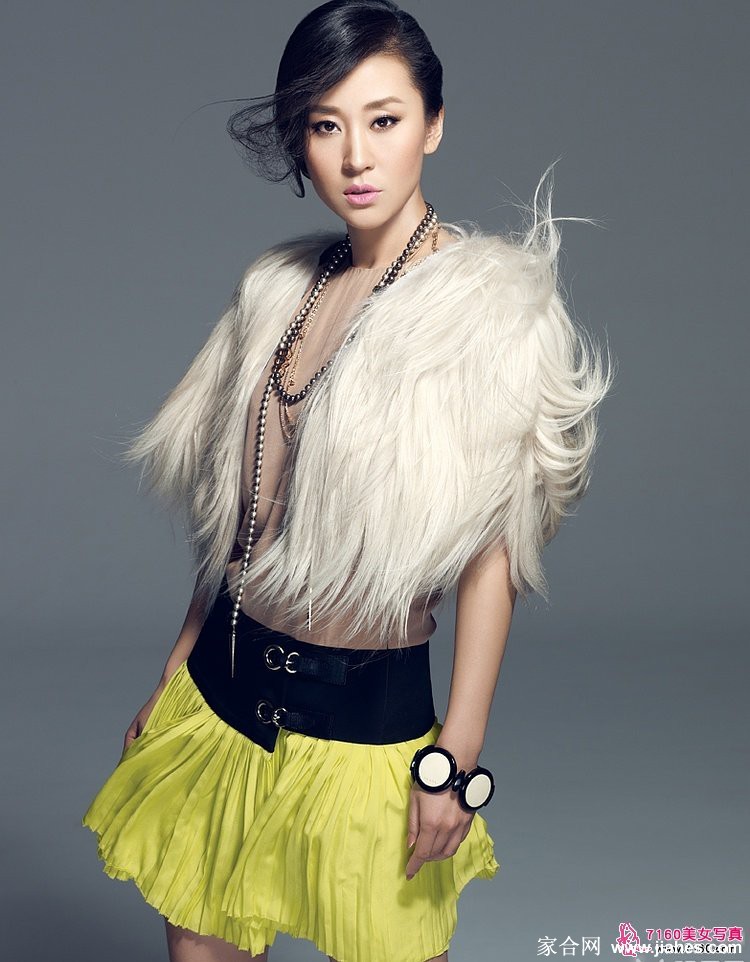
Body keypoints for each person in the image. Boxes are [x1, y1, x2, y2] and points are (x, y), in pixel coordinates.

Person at [82, 2, 614, 961]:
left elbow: (494, 558)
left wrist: (456, 755)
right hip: (223, 699)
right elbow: (241, 514)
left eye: (385, 119)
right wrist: (177, 665)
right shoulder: (276, 290)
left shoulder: (489, 312)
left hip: (370, 729)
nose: (357, 157)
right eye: (326, 126)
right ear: (300, 140)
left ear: (433, 125)